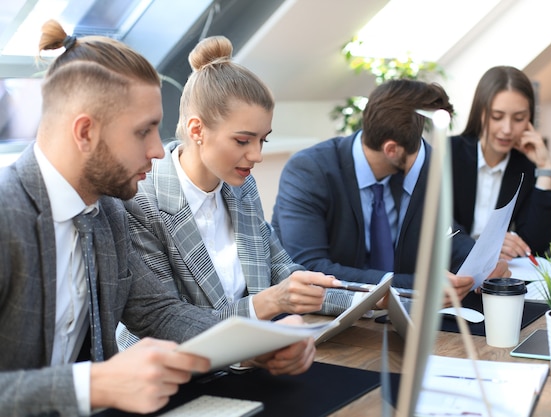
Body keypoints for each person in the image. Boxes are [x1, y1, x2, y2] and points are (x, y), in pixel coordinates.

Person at [0, 20, 315, 416]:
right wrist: (94, 383)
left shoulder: (109, 212)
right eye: (143, 132)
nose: (158, 150)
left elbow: (159, 312)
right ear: (85, 132)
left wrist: (255, 345)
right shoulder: (6, 215)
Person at [117, 35, 351, 349]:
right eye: (243, 141)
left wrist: (363, 298)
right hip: (171, 374)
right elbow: (171, 321)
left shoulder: (240, 187)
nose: (256, 155)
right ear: (197, 130)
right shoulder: (141, 202)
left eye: (263, 140)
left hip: (245, 358)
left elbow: (280, 268)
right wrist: (268, 304)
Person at [271, 79, 510, 306]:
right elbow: (309, 269)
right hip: (323, 319)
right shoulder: (309, 171)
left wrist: (481, 264)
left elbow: (446, 234)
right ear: (392, 150)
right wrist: (418, 286)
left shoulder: (420, 166)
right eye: (417, 148)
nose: (424, 154)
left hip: (397, 321)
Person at [450, 66, 551, 260]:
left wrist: (545, 168)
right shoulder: (448, 154)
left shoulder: (525, 166)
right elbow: (439, 226)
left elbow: (537, 244)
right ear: (480, 112)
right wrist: (484, 247)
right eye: (497, 117)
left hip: (499, 277)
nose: (507, 129)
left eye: (519, 118)